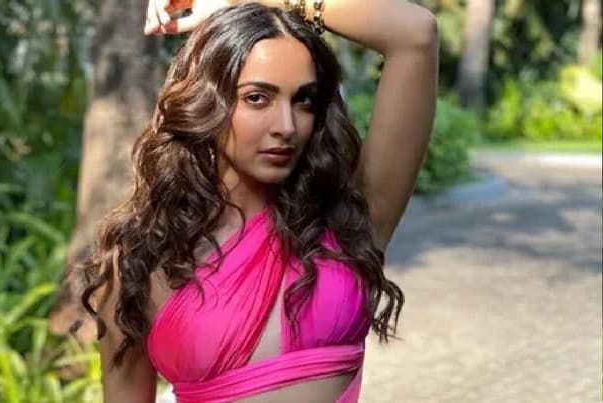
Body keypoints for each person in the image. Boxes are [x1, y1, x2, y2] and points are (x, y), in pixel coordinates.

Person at [80, 1, 438, 402]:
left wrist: (250, 1)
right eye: (257, 98)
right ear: (206, 100)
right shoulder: (141, 260)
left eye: (303, 100)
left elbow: (415, 32)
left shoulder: (347, 223)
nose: (286, 126)